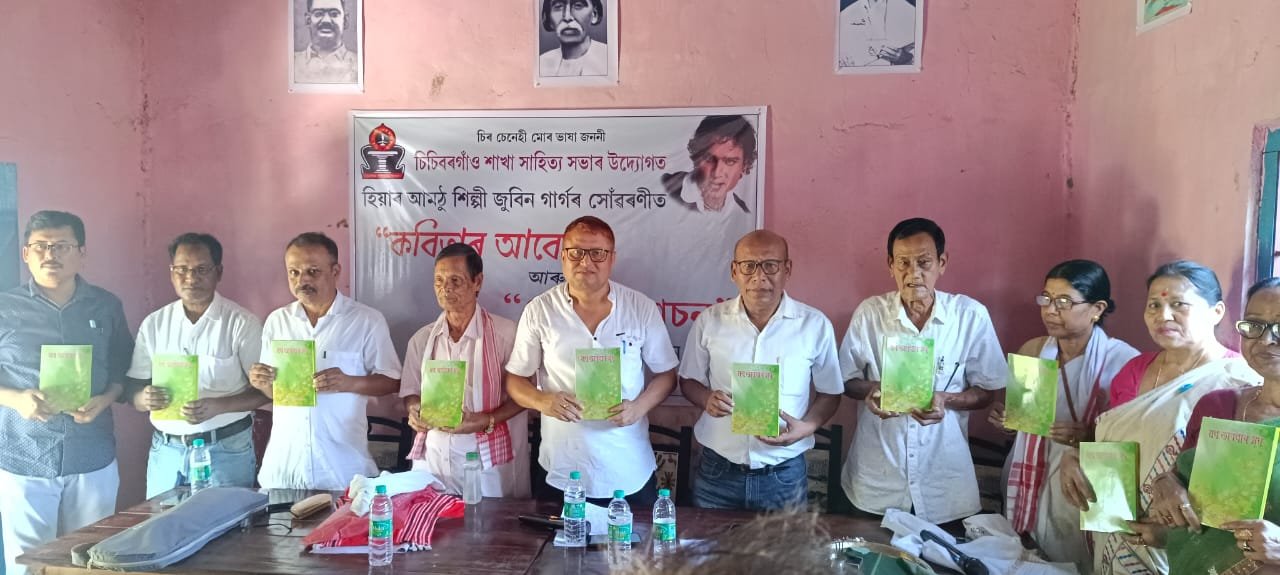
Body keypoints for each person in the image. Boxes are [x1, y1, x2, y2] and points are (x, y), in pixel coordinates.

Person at [1059, 260, 1259, 575]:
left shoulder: (1238, 382)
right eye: (1154, 305)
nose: (1163, 315)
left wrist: (1172, 534)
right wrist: (1075, 456)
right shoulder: (1134, 370)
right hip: (1117, 531)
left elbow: (1236, 491)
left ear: (1216, 312)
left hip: (1183, 541)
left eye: (1178, 304)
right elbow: (1111, 441)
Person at [839, 217, 1006, 524]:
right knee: (870, 553)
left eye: (924, 262)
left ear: (942, 263)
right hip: (878, 480)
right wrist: (874, 390)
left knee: (943, 555)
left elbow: (987, 391)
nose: (913, 273)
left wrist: (946, 399)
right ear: (890, 265)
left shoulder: (970, 316)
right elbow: (847, 381)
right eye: (903, 262)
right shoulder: (870, 314)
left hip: (945, 483)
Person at [506, 216, 678, 507]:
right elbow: (515, 380)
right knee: (557, 538)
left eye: (597, 253)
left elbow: (667, 375)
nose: (586, 262)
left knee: (635, 538)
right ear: (563, 257)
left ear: (612, 259)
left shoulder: (641, 308)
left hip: (628, 468)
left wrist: (639, 407)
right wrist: (542, 401)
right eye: (576, 252)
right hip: (562, 469)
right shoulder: (540, 310)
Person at [0, 211, 133, 575]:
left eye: (62, 246)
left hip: (92, 453)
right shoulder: (4, 308)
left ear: (82, 253)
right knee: (27, 564)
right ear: (26, 254)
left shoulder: (106, 306)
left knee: (93, 561)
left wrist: (106, 398)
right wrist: (15, 399)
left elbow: (123, 367)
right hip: (24, 455)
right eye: (40, 246)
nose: (50, 255)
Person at [987, 260, 1139, 570]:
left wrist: (1088, 436)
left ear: (1097, 308)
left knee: (1080, 563)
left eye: (1064, 302)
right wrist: (1008, 424)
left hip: (1083, 482)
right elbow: (1022, 422)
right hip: (1029, 479)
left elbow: (1134, 438)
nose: (1050, 310)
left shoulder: (1124, 362)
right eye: (1046, 299)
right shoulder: (1032, 351)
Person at [678, 230, 842, 510]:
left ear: (787, 269)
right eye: (749, 266)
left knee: (784, 542)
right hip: (718, 473)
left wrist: (808, 426)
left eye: (770, 265)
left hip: (784, 474)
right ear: (734, 271)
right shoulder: (710, 321)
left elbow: (831, 393)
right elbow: (688, 380)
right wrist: (705, 398)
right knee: (710, 541)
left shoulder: (814, 325)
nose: (759, 276)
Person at [1139, 276, 1280, 571]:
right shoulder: (1218, 405)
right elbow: (1182, 482)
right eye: (1255, 325)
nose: (1266, 339)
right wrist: (1165, 485)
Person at [249, 232, 401, 490]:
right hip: (284, 470)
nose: (302, 280)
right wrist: (261, 382)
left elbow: (392, 381)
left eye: (313, 271)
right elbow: (274, 392)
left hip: (342, 470)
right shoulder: (277, 321)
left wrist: (349, 382)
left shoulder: (366, 320)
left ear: (335, 271)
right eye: (294, 272)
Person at [126, 233, 266, 498]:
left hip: (226, 449)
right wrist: (143, 398)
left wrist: (218, 406)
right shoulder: (155, 324)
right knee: (161, 522)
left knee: (225, 522)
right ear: (171, 272)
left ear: (218, 272)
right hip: (167, 451)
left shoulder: (241, 323)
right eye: (182, 269)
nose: (191, 278)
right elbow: (133, 388)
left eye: (201, 269)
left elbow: (265, 392)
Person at [400, 243, 530, 498]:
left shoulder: (505, 334)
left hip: (487, 462)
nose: (445, 289)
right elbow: (411, 392)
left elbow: (525, 395)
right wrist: (414, 410)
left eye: (455, 280)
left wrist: (487, 420)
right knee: (435, 520)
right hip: (434, 459)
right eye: (439, 281)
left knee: (489, 520)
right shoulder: (422, 339)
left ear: (477, 282)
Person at [662, 115, 758, 215]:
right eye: (709, 159)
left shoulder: (743, 212)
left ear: (744, 167)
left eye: (730, 162)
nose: (717, 173)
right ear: (697, 157)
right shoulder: (665, 187)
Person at [538, 0, 609, 77]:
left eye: (578, 5)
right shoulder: (541, 65)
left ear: (594, 14)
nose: (567, 17)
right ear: (548, 19)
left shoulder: (609, 59)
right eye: (558, 6)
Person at [293, 0, 357, 84]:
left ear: (345, 20)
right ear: (308, 20)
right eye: (318, 14)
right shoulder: (292, 63)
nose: (326, 20)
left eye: (334, 14)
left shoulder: (358, 64)